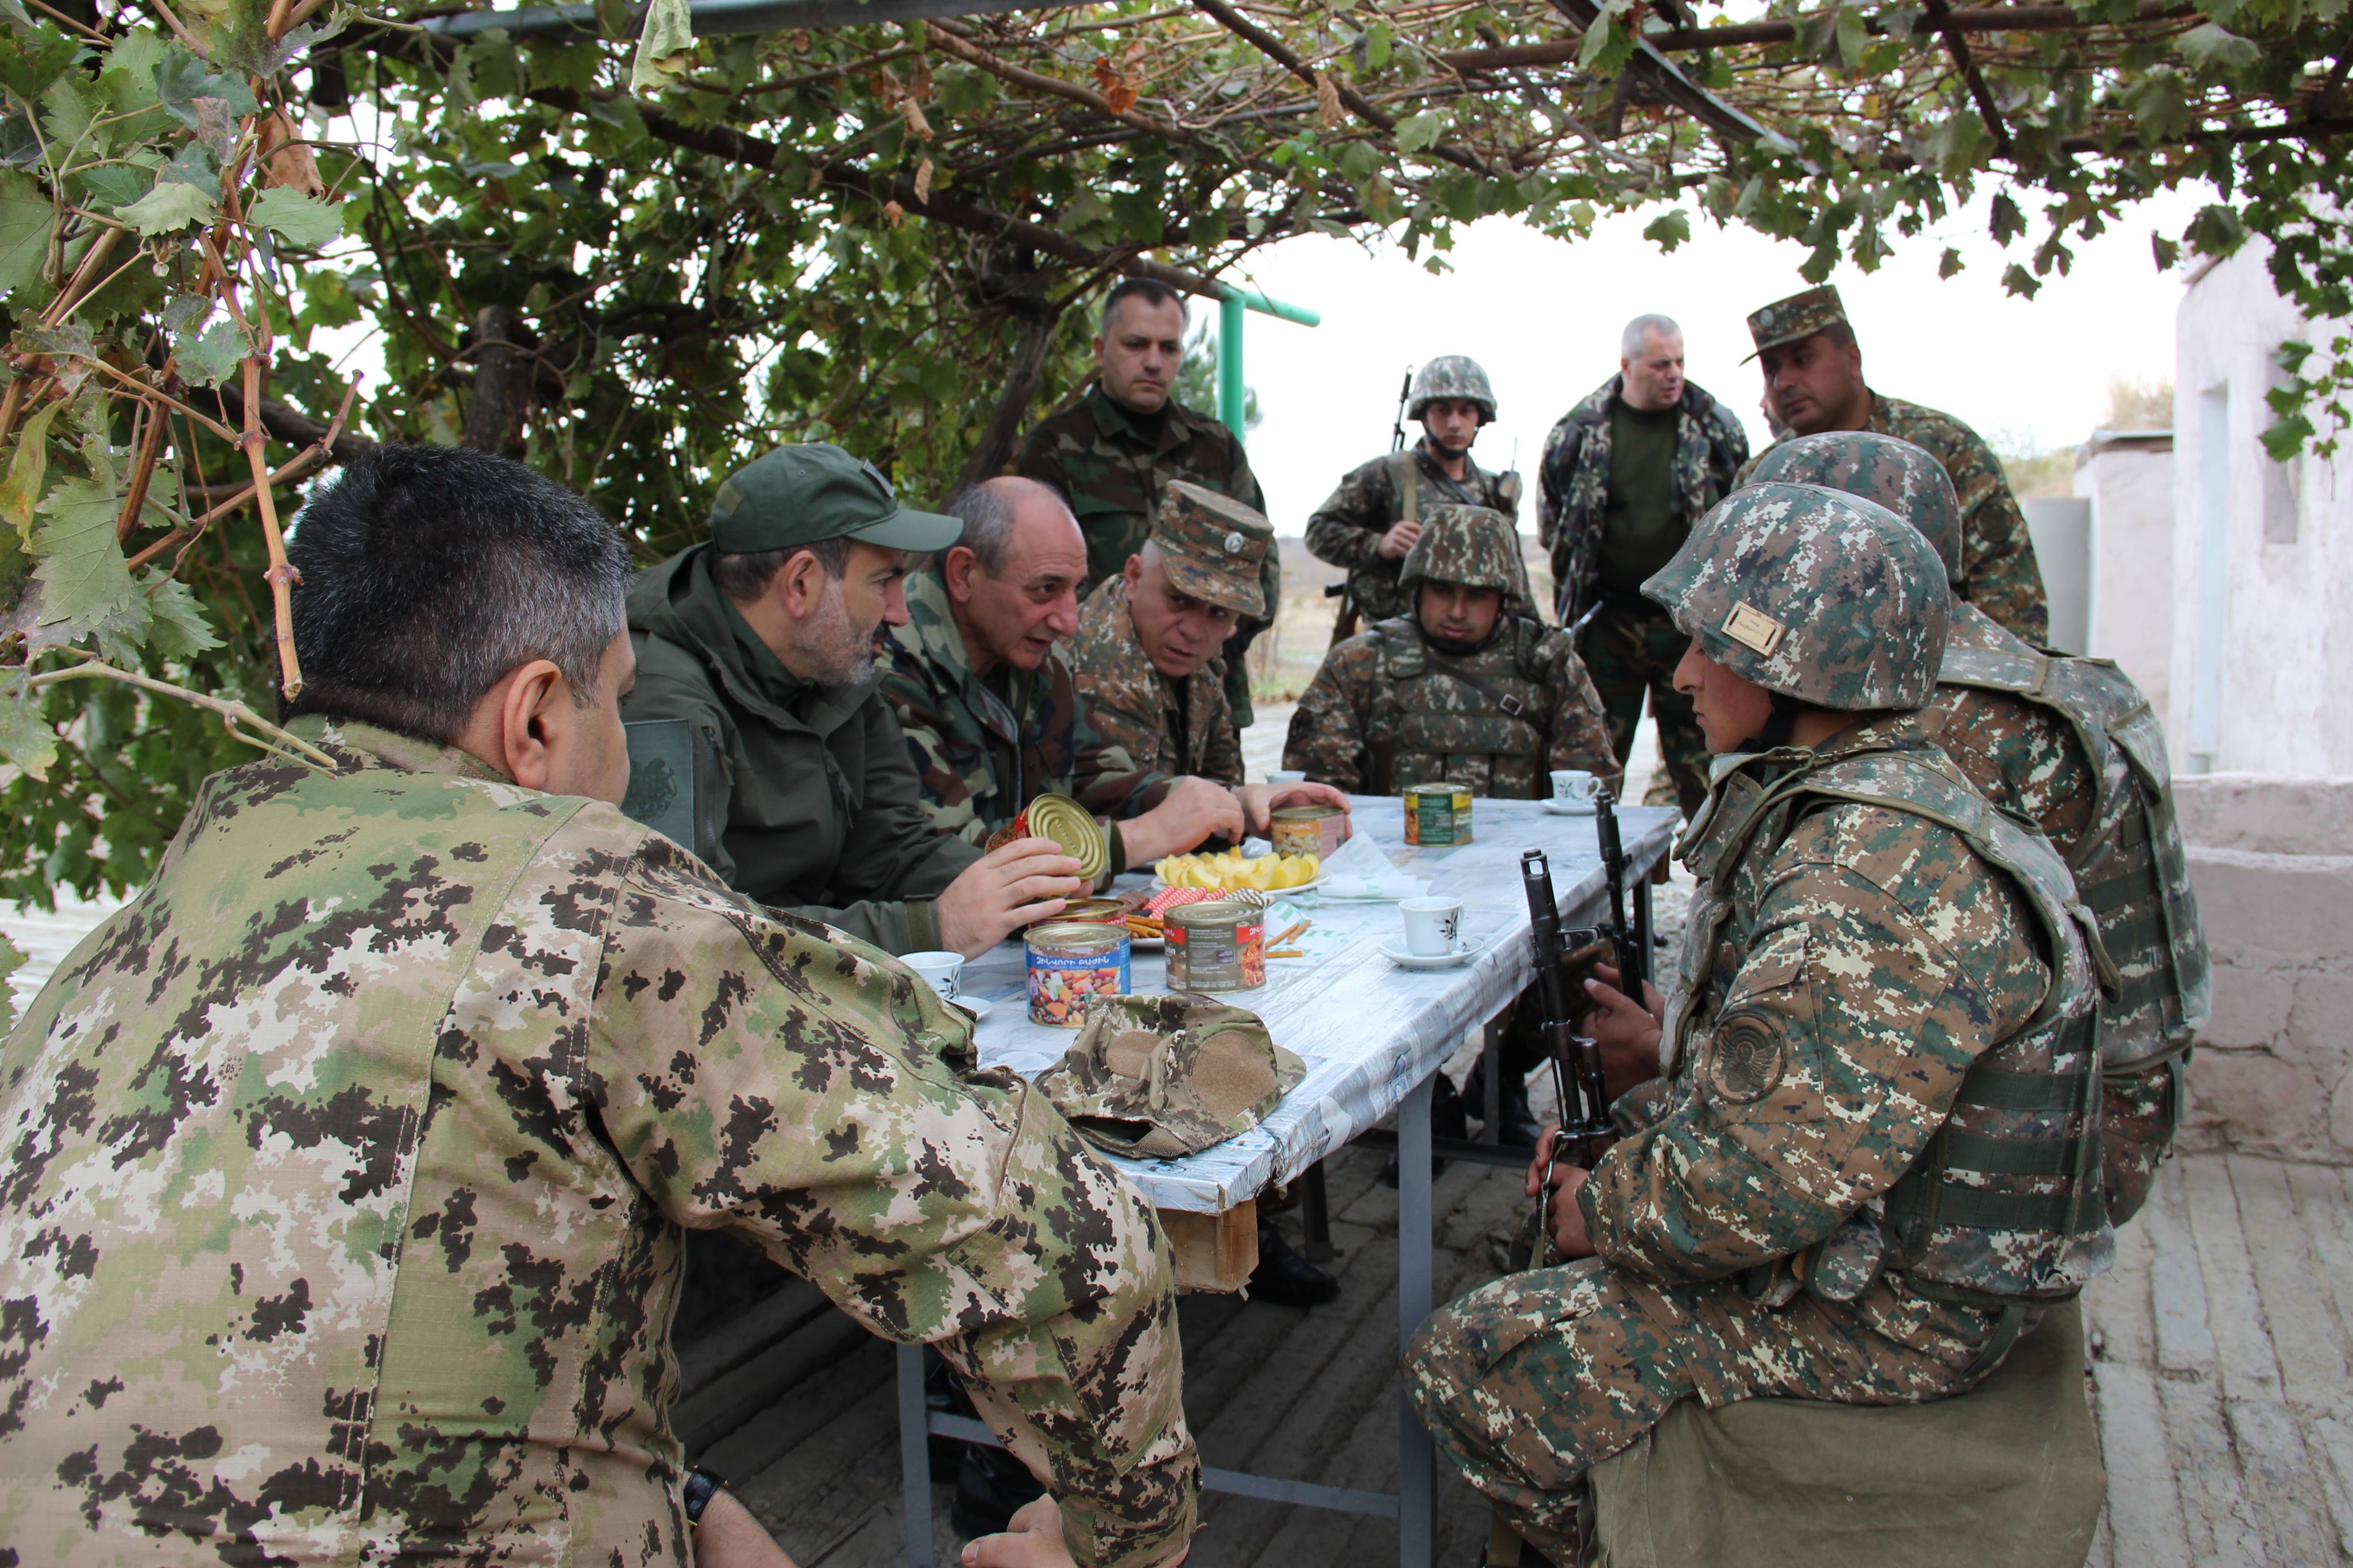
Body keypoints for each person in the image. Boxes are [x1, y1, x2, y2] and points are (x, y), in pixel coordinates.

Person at [0, 445, 1198, 1568]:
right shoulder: (582, 902)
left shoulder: (119, 947)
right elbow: (1066, 1249)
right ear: (533, 722)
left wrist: (686, 1498)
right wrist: (1110, 1540)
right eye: (612, 701)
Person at [1405, 482, 2108, 1563]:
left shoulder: (1860, 879)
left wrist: (1609, 1208)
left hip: (1896, 1320)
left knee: (1473, 1360)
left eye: (1704, 646)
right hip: (1891, 1254)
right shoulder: (1898, 802)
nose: (1682, 675)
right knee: (1548, 1213)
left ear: (1789, 667)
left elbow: (1745, 1187)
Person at [1749, 431, 2211, 1223]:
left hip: (2024, 1168)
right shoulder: (2061, 686)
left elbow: (1851, 1022)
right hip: (2116, 1098)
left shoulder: (1935, 713)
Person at [622, 443, 1086, 959]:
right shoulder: (659, 700)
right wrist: (931, 929)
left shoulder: (830, 659)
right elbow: (687, 932)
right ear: (801, 584)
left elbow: (891, 849)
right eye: (883, 580)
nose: (899, 612)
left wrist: (1025, 891)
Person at [1061, 478, 1344, 1308]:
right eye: (1186, 601)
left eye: (1225, 616)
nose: (1204, 630)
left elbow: (1213, 792)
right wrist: (1189, 800)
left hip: (1166, 917)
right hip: (1080, 912)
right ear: (1137, 571)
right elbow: (1083, 792)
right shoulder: (1078, 650)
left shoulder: (1202, 663)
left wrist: (1249, 804)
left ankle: (1255, 1218)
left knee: (1269, 1012)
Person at [881, 477, 1343, 872]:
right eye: (1046, 589)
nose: (1070, 621)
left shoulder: (1030, 659)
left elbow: (1098, 779)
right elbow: (943, 863)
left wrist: (1228, 805)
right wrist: (1138, 839)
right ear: (964, 574)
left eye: (1074, 591)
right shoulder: (892, 664)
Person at [1017, 277, 1276, 729]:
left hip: (1203, 699)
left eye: (1169, 348)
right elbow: (1036, 580)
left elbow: (1260, 574)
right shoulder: (1057, 447)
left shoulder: (1216, 448)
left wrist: (1204, 641)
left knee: (1219, 800)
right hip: (1091, 697)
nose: (1154, 362)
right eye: (1137, 344)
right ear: (1101, 350)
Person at [1739, 284, 2051, 643]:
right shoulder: (1763, 478)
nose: (1785, 382)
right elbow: (1737, 604)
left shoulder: (1940, 446)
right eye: (1771, 369)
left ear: (1852, 359)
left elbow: (2008, 598)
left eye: (1803, 360)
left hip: (1933, 680)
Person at [1537, 314, 1750, 817]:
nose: (1673, 373)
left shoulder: (1714, 425)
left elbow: (1742, 511)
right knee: (1594, 765)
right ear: (1627, 366)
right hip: (1609, 624)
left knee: (1708, 763)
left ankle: (1718, 885)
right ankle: (1593, 879)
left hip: (1691, 627)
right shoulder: (1580, 431)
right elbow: (1554, 523)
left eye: (1679, 362)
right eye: (1660, 364)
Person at [1283, 503, 1618, 799]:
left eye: (1477, 596)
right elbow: (1318, 798)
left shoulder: (1550, 667)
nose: (1457, 612)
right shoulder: (1358, 665)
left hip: (1522, 860)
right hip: (1390, 864)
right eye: (1442, 591)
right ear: (1419, 588)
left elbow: (1591, 793)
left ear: (1503, 599)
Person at [1303, 355, 1522, 640]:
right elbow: (1319, 530)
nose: (1455, 423)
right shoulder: (1387, 474)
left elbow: (1513, 573)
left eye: (1466, 411)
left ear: (1480, 416)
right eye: (1442, 411)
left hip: (1475, 645)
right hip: (1398, 641)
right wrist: (1378, 545)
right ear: (1424, 415)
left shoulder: (1492, 489)